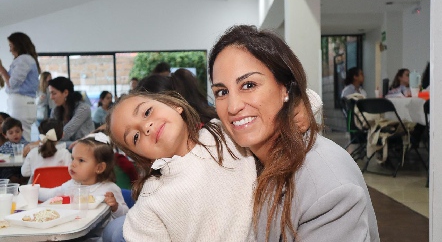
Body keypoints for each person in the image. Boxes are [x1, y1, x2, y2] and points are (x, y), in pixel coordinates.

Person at [208, 25, 379, 241]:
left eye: (248, 85)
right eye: (221, 92)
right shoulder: (243, 155)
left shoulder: (328, 191)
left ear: (285, 89)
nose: (233, 106)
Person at [106, 91, 257, 241]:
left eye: (147, 112)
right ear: (141, 157)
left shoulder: (223, 132)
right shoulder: (151, 200)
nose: (146, 126)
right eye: (135, 137)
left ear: (174, 105)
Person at [38, 134, 129, 238]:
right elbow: (53, 193)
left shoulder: (109, 189)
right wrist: (34, 190)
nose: (73, 164)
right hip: (73, 233)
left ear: (99, 167)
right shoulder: (72, 184)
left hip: (98, 238)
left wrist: (115, 207)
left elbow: (124, 217)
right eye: (73, 158)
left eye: (81, 160)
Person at [0, 32, 41, 141]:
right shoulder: (26, 59)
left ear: (17, 45)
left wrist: (1, 68)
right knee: (20, 133)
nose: (10, 50)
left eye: (10, 46)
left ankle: (23, 156)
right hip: (23, 102)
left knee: (20, 133)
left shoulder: (24, 59)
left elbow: (12, 84)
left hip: (22, 102)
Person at [21, 119, 71, 183]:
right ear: (62, 135)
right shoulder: (65, 153)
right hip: (59, 191)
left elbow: (24, 173)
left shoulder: (33, 152)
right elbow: (69, 173)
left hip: (37, 191)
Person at [48, 77, 94, 143]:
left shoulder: (83, 108)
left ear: (65, 93)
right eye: (50, 93)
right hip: (68, 146)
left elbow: (65, 133)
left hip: (85, 146)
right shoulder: (55, 110)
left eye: (54, 93)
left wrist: (47, 140)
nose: (51, 97)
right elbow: (51, 131)